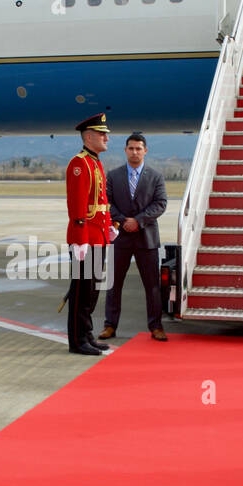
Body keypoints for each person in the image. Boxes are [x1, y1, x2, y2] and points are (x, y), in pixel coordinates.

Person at [100, 131, 168, 342]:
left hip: (146, 237)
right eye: (131, 148)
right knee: (114, 284)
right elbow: (107, 202)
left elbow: (161, 203)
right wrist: (123, 220)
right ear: (125, 150)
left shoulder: (155, 176)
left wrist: (138, 221)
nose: (135, 152)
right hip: (120, 236)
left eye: (139, 148)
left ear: (145, 151)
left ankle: (156, 326)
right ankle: (110, 325)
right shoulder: (113, 175)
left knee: (152, 286)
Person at [65, 112, 114, 355]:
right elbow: (77, 205)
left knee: (92, 292)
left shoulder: (95, 162)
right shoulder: (79, 163)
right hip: (85, 239)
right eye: (101, 133)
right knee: (81, 292)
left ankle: (87, 334)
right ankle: (77, 340)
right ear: (88, 136)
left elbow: (101, 201)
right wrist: (80, 240)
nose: (107, 137)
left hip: (98, 236)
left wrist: (110, 226)